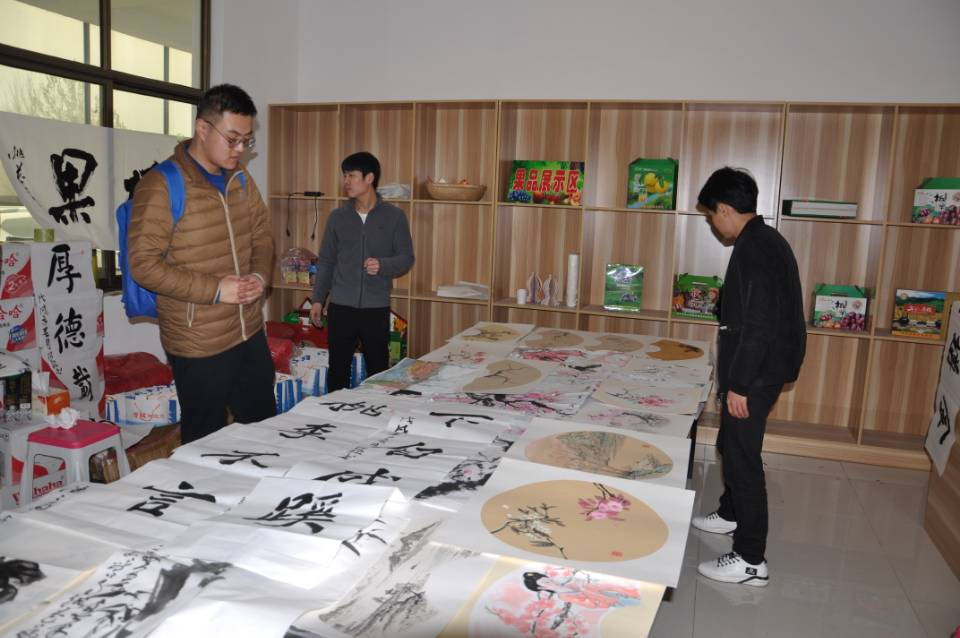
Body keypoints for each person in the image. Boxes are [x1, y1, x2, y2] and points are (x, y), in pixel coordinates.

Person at [129, 83, 276, 444]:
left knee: (263, 433)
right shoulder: (162, 185)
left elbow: (262, 235)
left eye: (247, 141)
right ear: (202, 128)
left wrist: (260, 276)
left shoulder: (240, 179)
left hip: (248, 330)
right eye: (232, 139)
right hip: (198, 341)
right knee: (204, 442)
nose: (240, 149)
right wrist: (216, 290)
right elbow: (143, 265)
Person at [692, 167, 806, 586]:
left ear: (725, 209)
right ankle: (731, 513)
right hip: (757, 369)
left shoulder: (755, 248)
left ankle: (751, 559)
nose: (712, 223)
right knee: (730, 442)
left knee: (743, 458)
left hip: (754, 375)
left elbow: (757, 326)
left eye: (711, 215)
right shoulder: (762, 239)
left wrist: (738, 385)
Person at [310, 152, 414, 392]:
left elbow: (406, 258)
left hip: (375, 308)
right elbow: (326, 261)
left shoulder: (394, 216)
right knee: (337, 371)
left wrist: (383, 265)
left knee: (378, 372)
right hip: (341, 307)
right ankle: (333, 414)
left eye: (351, 176)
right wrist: (318, 299)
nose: (346, 181)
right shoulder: (337, 217)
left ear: (369, 178)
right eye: (344, 176)